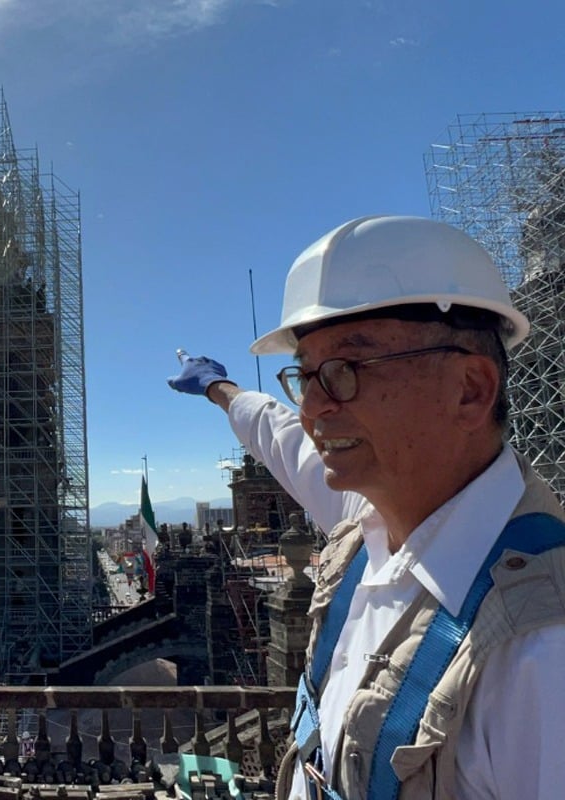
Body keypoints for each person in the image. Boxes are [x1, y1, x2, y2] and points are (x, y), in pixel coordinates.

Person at [167, 215, 565, 799]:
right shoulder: (364, 524)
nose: (314, 409)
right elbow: (280, 434)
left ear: (471, 389)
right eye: (304, 378)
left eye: (346, 370)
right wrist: (217, 389)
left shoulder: (540, 648)